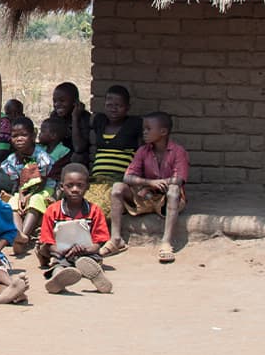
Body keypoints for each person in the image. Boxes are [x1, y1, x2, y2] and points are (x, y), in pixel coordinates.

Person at [104, 112, 189, 263]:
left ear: (163, 132)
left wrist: (160, 183)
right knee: (117, 188)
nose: (144, 132)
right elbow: (127, 177)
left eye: (148, 129)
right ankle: (116, 239)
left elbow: (179, 179)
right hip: (145, 195)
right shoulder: (143, 151)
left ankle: (166, 242)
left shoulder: (178, 151)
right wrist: (149, 183)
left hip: (165, 198)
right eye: (144, 129)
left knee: (174, 191)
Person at [38, 164, 112, 294]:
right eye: (70, 185)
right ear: (62, 186)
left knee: (90, 260)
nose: (75, 189)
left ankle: (95, 276)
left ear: (87, 187)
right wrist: (63, 250)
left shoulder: (94, 211)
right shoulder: (52, 211)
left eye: (80, 185)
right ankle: (58, 277)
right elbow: (48, 242)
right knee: (57, 263)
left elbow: (98, 243)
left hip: (86, 253)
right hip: (61, 253)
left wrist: (85, 250)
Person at [0, 117, 56, 254]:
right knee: (13, 203)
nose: (19, 139)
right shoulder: (12, 159)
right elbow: (18, 182)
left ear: (33, 136)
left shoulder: (41, 156)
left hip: (44, 188)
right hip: (24, 189)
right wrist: (21, 195)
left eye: (24, 135)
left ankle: (25, 234)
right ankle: (19, 235)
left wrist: (29, 196)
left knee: (35, 201)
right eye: (15, 136)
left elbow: (42, 180)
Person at [87, 85, 143, 216]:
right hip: (96, 179)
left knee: (102, 206)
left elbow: (142, 153)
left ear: (127, 107)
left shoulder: (134, 124)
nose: (113, 109)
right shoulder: (100, 121)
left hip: (118, 180)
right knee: (83, 203)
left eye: (119, 105)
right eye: (109, 105)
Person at [49, 82, 91, 164]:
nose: (57, 104)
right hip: (59, 155)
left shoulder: (84, 118)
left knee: (77, 157)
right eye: (55, 101)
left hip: (74, 159)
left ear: (75, 102)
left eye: (62, 101)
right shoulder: (55, 116)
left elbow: (78, 147)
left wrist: (75, 118)